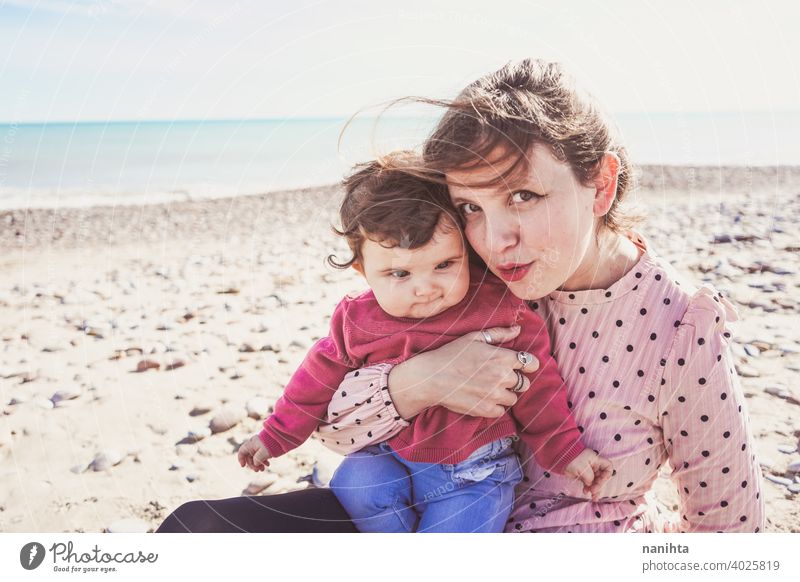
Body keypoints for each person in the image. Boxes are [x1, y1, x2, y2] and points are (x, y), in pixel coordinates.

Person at [156, 58, 764, 533]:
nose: (497, 238)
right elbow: (336, 432)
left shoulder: (681, 326)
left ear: (599, 184)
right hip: (407, 511)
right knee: (197, 529)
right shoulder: (456, 281)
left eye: (523, 195)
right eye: (472, 206)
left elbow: (731, 534)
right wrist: (420, 382)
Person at [235, 154, 611, 533]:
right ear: (362, 271)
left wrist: (567, 452)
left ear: (466, 250)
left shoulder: (498, 308)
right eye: (399, 273)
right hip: (391, 458)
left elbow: (541, 386)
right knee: (354, 481)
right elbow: (313, 385)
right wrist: (274, 437)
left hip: (473, 474)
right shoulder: (356, 320)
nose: (426, 287)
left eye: (445, 265)